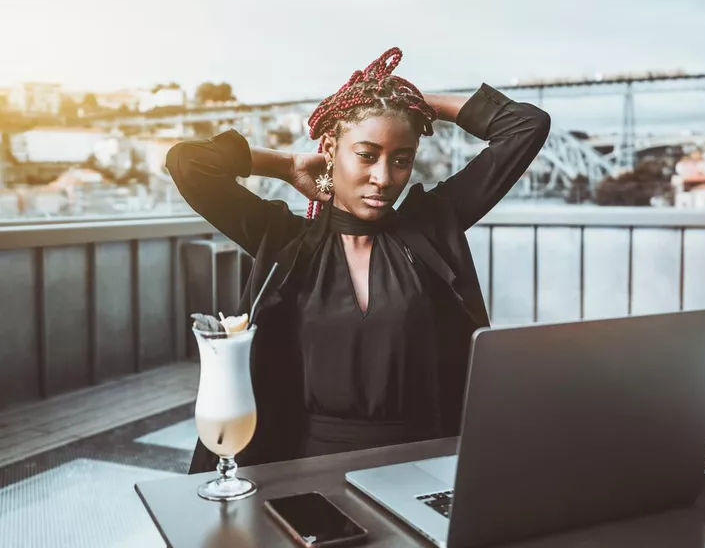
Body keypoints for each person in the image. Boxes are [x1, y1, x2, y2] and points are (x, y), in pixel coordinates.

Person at [167, 47, 551, 474]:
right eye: (366, 155)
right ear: (331, 148)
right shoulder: (285, 241)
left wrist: (415, 103)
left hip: (426, 463)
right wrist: (284, 164)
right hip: (304, 467)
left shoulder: (432, 228)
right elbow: (187, 162)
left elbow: (527, 125)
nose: (384, 179)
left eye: (401, 160)